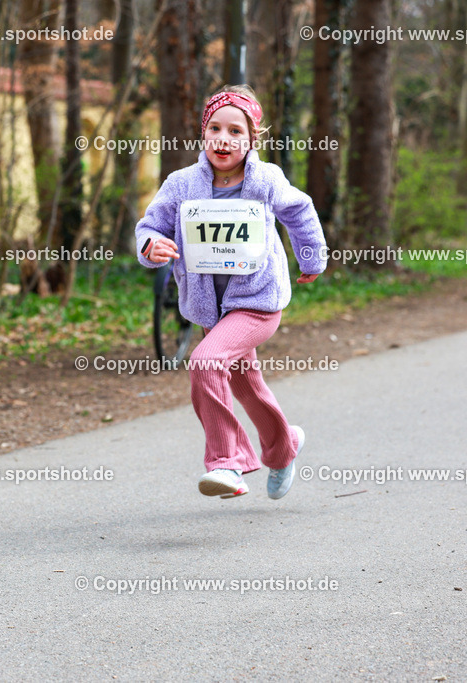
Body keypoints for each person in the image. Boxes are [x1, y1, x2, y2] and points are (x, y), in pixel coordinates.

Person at [135, 85, 327, 500]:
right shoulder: (182, 183)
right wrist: (151, 247)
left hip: (257, 300)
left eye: (235, 131)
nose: (224, 139)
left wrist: (311, 258)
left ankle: (227, 462)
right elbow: (150, 227)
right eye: (215, 128)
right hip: (211, 308)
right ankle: (283, 448)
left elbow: (300, 210)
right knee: (246, 385)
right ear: (204, 132)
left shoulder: (266, 180)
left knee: (205, 362)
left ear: (251, 138)